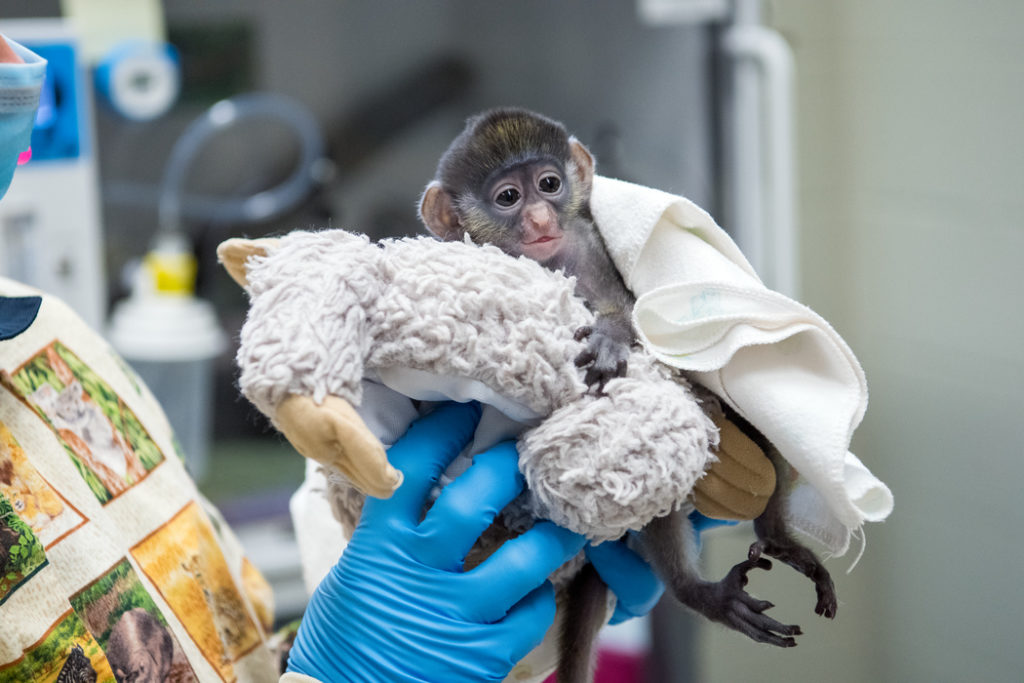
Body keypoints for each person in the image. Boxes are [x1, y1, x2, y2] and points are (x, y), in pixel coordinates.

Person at [0, 34, 666, 682]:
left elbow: (219, 653)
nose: (13, 60)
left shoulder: (50, 329)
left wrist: (457, 635)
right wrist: (350, 671)